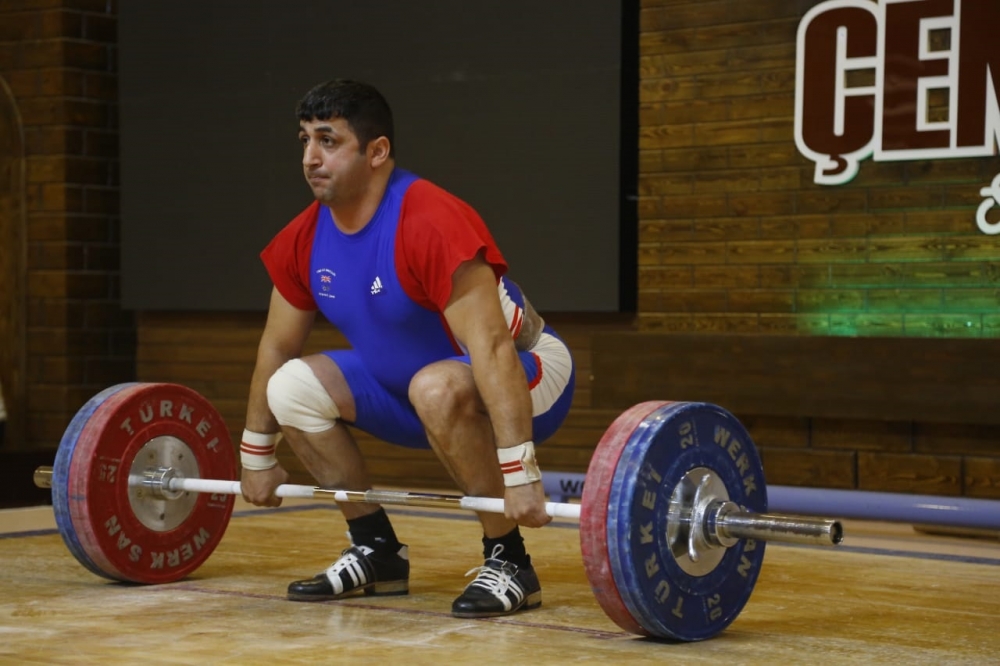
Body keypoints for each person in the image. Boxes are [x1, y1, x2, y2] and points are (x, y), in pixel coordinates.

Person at [240, 79, 576, 618]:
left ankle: (510, 561)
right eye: (304, 140)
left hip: (530, 372)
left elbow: (491, 348)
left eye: (328, 140)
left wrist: (521, 473)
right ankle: (375, 551)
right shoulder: (303, 238)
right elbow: (276, 348)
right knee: (291, 387)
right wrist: (256, 455)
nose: (309, 157)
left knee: (437, 386)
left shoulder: (430, 219)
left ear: (377, 152)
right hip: (412, 386)